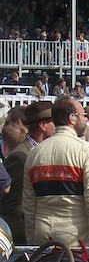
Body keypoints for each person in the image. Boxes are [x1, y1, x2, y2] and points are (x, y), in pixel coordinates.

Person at [22, 97, 89, 247]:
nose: (86, 120)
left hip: (43, 234)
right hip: (76, 237)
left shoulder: (34, 153)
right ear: (72, 118)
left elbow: (28, 205)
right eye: (84, 115)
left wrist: (31, 242)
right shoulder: (86, 151)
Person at [0, 100, 55, 244]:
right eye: (54, 122)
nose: (59, 126)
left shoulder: (41, 151)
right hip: (23, 238)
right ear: (43, 126)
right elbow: (11, 205)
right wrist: (25, 238)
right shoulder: (20, 157)